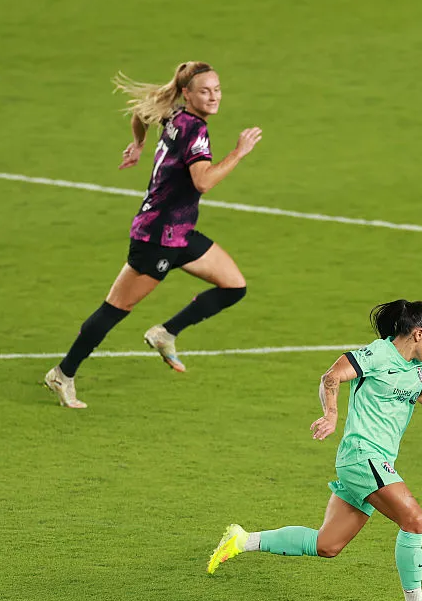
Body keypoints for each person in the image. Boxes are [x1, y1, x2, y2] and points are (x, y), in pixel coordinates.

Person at [206, 300, 422, 601]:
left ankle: (242, 539)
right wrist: (331, 414)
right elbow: (332, 376)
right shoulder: (377, 355)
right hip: (363, 456)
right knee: (413, 519)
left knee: (328, 545)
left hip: (374, 462)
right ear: (418, 333)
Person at [44, 61, 262, 408]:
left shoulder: (175, 115)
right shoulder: (194, 130)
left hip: (180, 233)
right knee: (116, 308)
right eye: (205, 91)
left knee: (234, 286)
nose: (213, 96)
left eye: (217, 89)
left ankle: (165, 333)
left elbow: (140, 114)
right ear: (188, 94)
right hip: (156, 237)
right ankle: (63, 374)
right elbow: (202, 181)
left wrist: (138, 144)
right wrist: (239, 152)